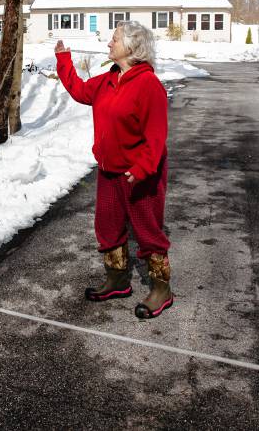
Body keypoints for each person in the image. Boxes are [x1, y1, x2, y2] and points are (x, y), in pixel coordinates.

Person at [54, 20, 173, 319]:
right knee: (107, 227)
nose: (109, 44)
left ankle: (161, 289)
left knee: (148, 231)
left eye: (115, 39)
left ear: (132, 47)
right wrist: (64, 61)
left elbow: (156, 135)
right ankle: (118, 279)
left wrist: (143, 167)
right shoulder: (107, 80)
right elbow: (80, 91)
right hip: (109, 172)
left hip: (139, 175)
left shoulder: (149, 85)